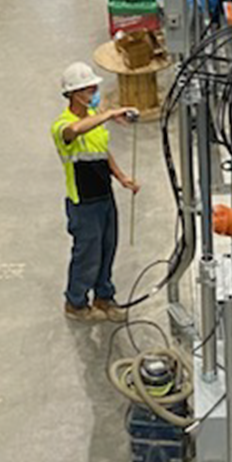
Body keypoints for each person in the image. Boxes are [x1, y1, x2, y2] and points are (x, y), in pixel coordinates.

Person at [52, 62, 141, 322]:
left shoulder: (95, 120)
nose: (93, 91)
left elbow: (102, 153)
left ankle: (104, 296)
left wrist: (122, 177)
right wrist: (111, 113)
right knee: (87, 255)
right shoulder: (62, 126)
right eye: (88, 88)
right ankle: (76, 303)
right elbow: (76, 131)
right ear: (73, 93)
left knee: (107, 249)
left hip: (105, 196)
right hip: (83, 203)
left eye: (93, 87)